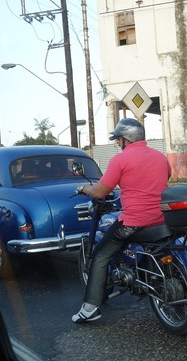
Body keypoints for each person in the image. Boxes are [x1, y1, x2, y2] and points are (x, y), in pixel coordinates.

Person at [72, 118, 172, 323]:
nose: (118, 143)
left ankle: (90, 308)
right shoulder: (160, 157)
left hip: (135, 220)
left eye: (119, 139)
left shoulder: (120, 160)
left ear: (127, 139)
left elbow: (100, 191)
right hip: (162, 219)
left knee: (101, 254)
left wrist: (85, 188)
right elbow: (163, 178)